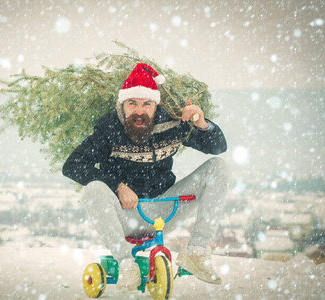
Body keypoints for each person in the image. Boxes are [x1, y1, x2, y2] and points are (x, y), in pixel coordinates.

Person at [62, 63, 230, 292]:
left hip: (164, 210)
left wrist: (202, 124)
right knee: (93, 190)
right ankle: (125, 264)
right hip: (124, 214)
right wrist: (118, 186)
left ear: (155, 105)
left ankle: (196, 252)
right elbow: (72, 165)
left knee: (218, 167)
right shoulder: (110, 127)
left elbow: (218, 148)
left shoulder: (172, 125)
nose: (139, 111)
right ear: (123, 104)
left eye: (146, 104)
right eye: (132, 103)